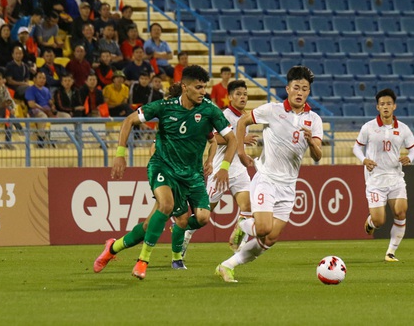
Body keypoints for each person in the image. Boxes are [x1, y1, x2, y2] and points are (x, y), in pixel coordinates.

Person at [93, 65, 237, 279]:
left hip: (192, 174)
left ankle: (112, 247)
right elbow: (128, 120)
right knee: (167, 205)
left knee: (198, 218)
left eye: (204, 87)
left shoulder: (209, 110)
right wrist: (120, 154)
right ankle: (143, 261)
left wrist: (222, 166)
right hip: (163, 167)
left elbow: (231, 139)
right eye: (198, 87)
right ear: (184, 87)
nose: (203, 92)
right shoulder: (164, 106)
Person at [215, 65, 323, 283]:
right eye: (296, 87)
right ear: (288, 88)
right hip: (266, 179)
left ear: (308, 92)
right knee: (262, 228)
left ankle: (227, 265)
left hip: (288, 186)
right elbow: (244, 120)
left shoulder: (314, 120)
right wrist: (242, 152)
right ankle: (243, 224)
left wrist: (312, 142)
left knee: (270, 239)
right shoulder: (273, 110)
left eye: (304, 88)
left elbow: (317, 156)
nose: (300, 92)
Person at [176, 79, 258, 263]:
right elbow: (215, 139)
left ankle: (239, 246)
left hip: (239, 171)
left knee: (248, 207)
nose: (242, 97)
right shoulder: (223, 115)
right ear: (229, 97)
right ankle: (183, 232)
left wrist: (242, 151)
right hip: (222, 170)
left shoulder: (246, 118)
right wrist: (241, 139)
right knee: (202, 215)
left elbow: (237, 144)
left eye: (245, 94)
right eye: (238, 94)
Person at [353, 88, 414, 262]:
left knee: (401, 212)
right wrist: (364, 159)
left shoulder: (403, 129)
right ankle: (371, 223)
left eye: (389, 104)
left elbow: (413, 149)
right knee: (379, 221)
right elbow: (356, 147)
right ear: (378, 107)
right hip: (375, 179)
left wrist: (409, 158)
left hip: (395, 177)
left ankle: (390, 252)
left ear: (394, 106)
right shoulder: (368, 127)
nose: (386, 107)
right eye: (382, 104)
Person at [25, 70, 70, 147]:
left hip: (48, 109)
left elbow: (50, 101)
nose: (42, 80)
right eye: (40, 78)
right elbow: (31, 104)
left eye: (44, 78)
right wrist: (44, 109)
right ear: (34, 79)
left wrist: (52, 106)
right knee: (43, 117)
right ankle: (41, 137)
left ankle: (56, 136)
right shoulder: (30, 90)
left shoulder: (46, 89)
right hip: (36, 110)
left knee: (66, 116)